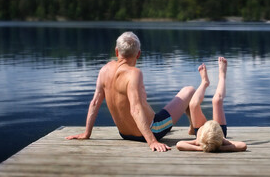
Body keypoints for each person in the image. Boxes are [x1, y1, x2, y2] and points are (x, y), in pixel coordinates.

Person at [66, 32, 195, 152]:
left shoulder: (104, 70)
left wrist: (87, 133)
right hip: (154, 129)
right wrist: (152, 141)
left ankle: (190, 128)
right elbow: (136, 110)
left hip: (124, 133)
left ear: (116, 51)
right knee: (189, 90)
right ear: (138, 54)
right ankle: (193, 127)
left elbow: (95, 103)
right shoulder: (134, 74)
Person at [176, 57, 247, 152]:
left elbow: (179, 144)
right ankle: (222, 76)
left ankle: (204, 82)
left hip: (205, 134)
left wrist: (200, 147)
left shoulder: (198, 141)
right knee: (217, 100)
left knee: (193, 104)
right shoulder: (222, 140)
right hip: (217, 133)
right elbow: (242, 145)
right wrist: (221, 147)